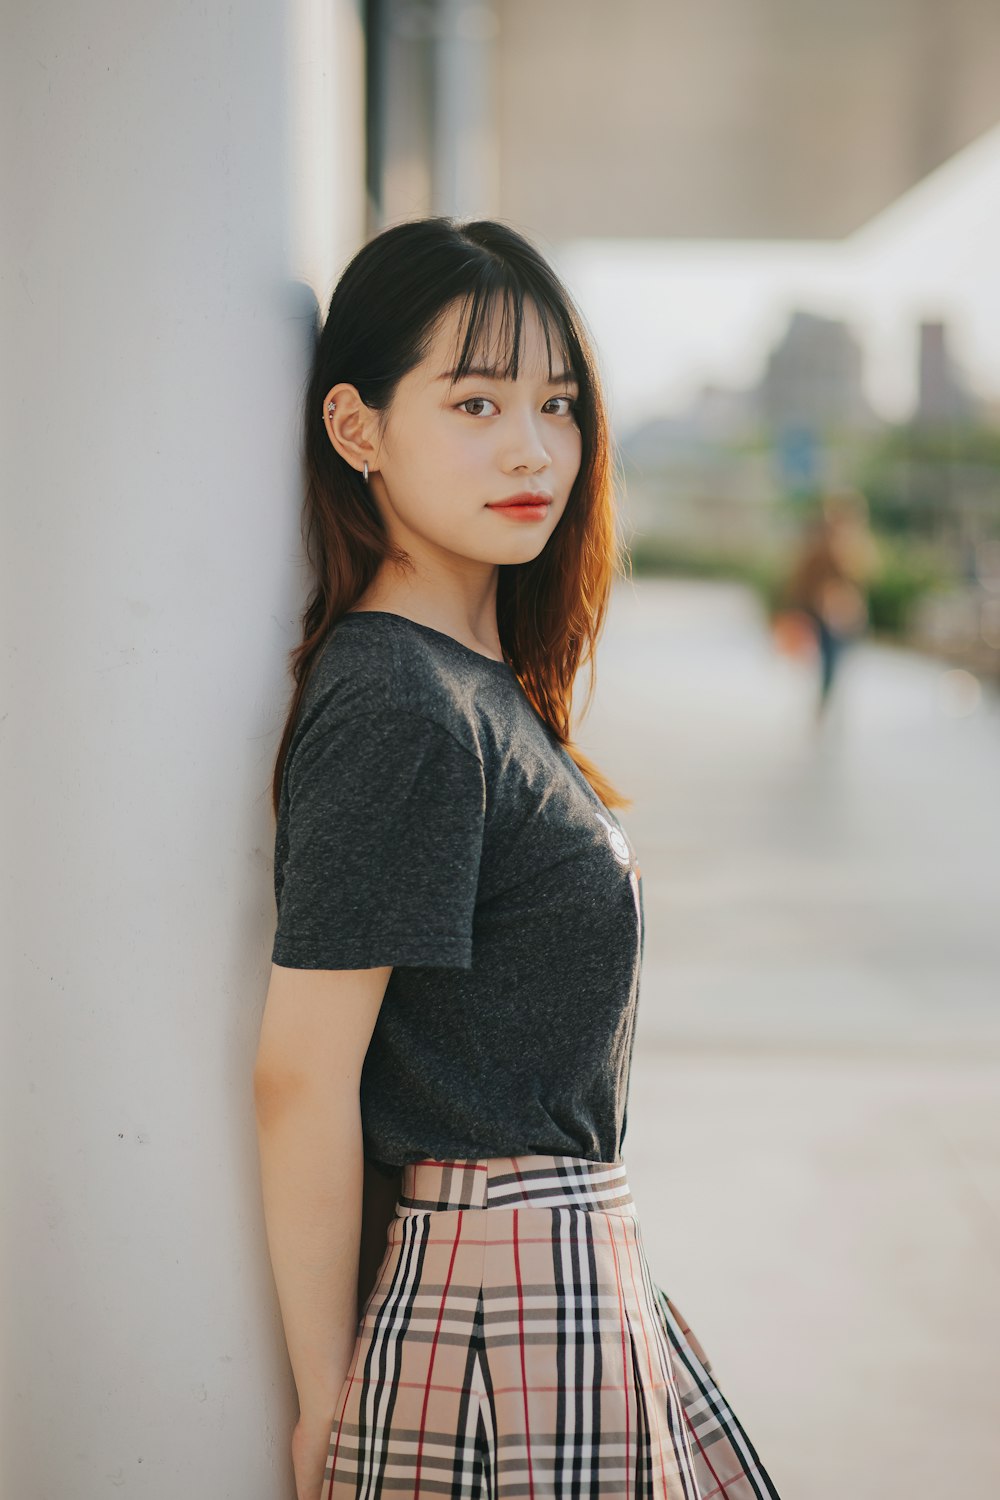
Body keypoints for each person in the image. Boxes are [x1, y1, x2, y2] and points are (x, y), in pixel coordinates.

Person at [254, 216, 782, 1500]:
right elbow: (299, 1078)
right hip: (495, 1302)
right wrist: (325, 1398)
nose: (533, 447)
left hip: (567, 1274)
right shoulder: (401, 704)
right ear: (357, 430)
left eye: (556, 402)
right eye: (475, 401)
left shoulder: (481, 690)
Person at [782, 488, 881, 721]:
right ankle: (824, 706)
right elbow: (802, 581)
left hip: (844, 616)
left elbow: (865, 577)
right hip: (823, 616)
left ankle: (827, 705)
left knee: (836, 664)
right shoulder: (819, 548)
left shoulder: (855, 547)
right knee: (829, 664)